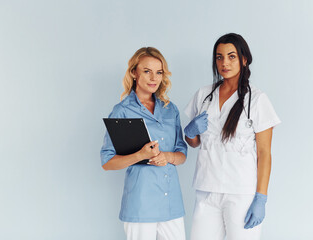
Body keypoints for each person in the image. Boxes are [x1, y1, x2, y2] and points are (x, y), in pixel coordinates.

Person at [184, 33, 281, 240]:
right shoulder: (203, 95)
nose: (224, 63)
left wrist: (261, 198)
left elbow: (264, 154)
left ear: (244, 59)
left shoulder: (257, 100)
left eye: (231, 56)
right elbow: (194, 143)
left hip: (241, 192)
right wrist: (189, 132)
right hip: (207, 189)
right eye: (219, 57)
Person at [101, 47, 188, 240]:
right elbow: (107, 162)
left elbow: (182, 153)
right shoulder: (122, 112)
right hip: (141, 204)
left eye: (158, 72)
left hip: (170, 203)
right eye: (146, 71)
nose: (153, 78)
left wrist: (168, 157)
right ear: (134, 72)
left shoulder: (169, 109)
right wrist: (140, 155)